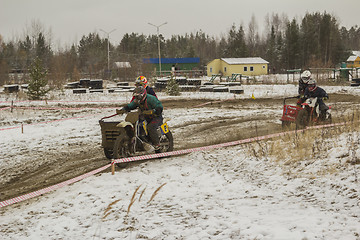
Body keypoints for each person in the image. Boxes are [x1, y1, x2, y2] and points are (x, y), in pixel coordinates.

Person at [118, 86, 163, 152]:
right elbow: (131, 105)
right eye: (135, 96)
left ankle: (157, 144)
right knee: (139, 125)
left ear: (143, 95)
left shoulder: (151, 99)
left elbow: (159, 106)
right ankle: (141, 140)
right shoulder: (137, 101)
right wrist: (124, 109)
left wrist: (155, 111)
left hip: (156, 117)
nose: (137, 98)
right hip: (145, 116)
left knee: (151, 127)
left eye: (138, 96)